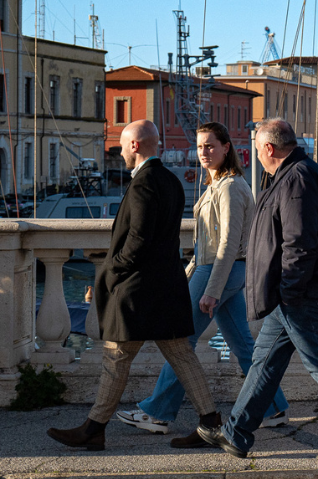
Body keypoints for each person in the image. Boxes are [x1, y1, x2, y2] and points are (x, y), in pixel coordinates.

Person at [198, 119, 318, 465]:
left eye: (258, 151)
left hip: (300, 294)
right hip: (293, 295)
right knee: (264, 363)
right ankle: (237, 432)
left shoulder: (296, 179)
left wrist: (290, 291)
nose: (257, 159)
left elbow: (299, 244)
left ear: (268, 148)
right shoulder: (302, 173)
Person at [48, 120, 221, 451]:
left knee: (117, 357)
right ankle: (210, 423)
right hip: (166, 288)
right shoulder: (170, 181)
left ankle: (94, 428)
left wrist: (112, 270)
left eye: (123, 145)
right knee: (182, 355)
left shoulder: (143, 184)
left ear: (136, 146)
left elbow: (138, 238)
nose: (121, 152)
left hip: (139, 291)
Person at [119, 122, 290, 447]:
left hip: (220, 272)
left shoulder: (229, 188)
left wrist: (211, 289)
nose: (204, 152)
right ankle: (275, 406)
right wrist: (188, 275)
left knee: (181, 341)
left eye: (210, 146)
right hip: (221, 271)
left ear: (227, 147)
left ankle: (158, 412)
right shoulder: (219, 185)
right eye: (199, 147)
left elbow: (226, 245)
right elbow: (208, 243)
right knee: (243, 345)